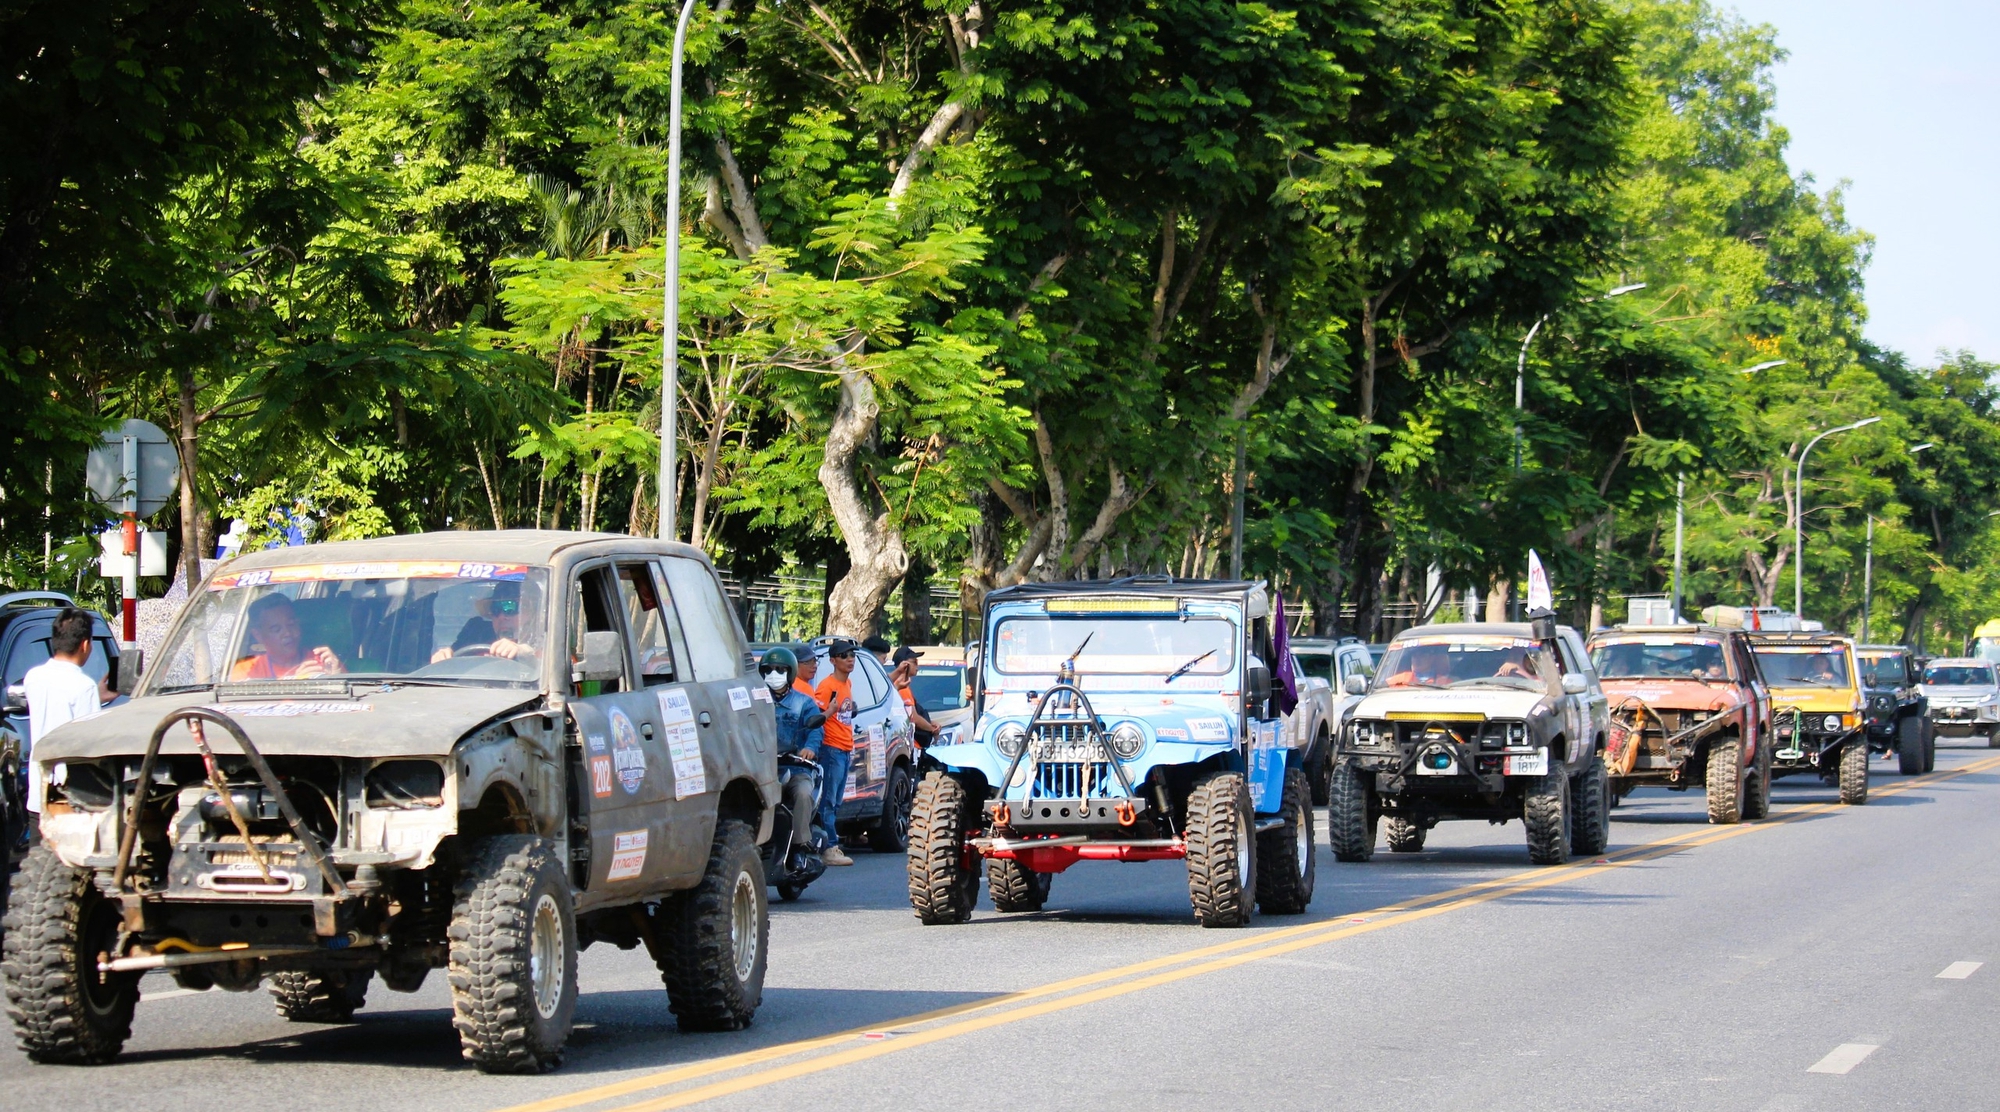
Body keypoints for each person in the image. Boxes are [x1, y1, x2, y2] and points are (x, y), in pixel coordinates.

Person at [23, 608, 106, 814]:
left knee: (39, 845)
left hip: (39, 791)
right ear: (85, 645)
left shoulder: (33, 678)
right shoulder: (83, 686)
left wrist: (97, 694)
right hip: (70, 796)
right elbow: (92, 744)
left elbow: (57, 701)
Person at [761, 647, 824, 860]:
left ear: (790, 673)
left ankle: (799, 845)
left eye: (779, 670)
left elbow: (816, 729)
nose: (773, 675)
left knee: (803, 793)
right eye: (768, 670)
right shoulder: (755, 702)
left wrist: (810, 749)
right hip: (761, 770)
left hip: (795, 768)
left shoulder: (803, 702)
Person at [812, 637, 861, 866]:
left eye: (852, 655)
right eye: (844, 655)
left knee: (837, 800)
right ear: (833, 660)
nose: (850, 659)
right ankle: (828, 846)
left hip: (845, 747)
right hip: (831, 748)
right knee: (828, 801)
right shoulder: (827, 686)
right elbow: (819, 718)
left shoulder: (847, 685)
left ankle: (830, 843)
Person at [231, 594, 345, 680]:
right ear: (258, 635)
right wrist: (295, 688)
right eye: (276, 629)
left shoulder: (323, 661)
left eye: (291, 624)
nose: (287, 633)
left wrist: (336, 678)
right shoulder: (247, 671)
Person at [432, 580, 540, 663]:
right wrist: (443, 657)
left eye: (510, 608)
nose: (502, 616)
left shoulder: (548, 639)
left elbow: (546, 664)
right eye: (495, 609)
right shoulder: (476, 633)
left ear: (532, 612)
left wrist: (522, 652)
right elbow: (453, 656)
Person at [891, 646, 938, 747]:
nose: (917, 666)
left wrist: (931, 723)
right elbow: (914, 718)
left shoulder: (903, 686)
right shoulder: (902, 688)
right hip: (912, 745)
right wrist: (933, 729)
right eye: (914, 662)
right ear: (904, 664)